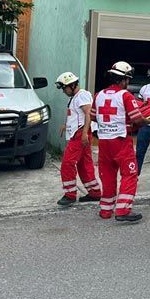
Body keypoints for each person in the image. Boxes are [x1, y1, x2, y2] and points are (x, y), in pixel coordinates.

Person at [92, 61, 150, 222]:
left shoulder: (99, 95)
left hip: (104, 142)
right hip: (120, 142)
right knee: (130, 174)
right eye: (128, 79)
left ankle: (106, 210)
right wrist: (148, 121)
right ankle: (123, 210)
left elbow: (93, 116)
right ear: (124, 79)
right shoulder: (126, 96)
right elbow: (137, 119)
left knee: (107, 175)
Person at [55, 72, 102, 206]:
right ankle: (94, 192)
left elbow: (88, 114)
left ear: (71, 85)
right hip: (79, 133)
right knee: (84, 165)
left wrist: (85, 133)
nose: (64, 91)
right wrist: (66, 125)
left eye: (64, 88)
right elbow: (76, 116)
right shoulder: (74, 98)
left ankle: (70, 194)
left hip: (80, 134)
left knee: (67, 163)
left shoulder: (82, 95)